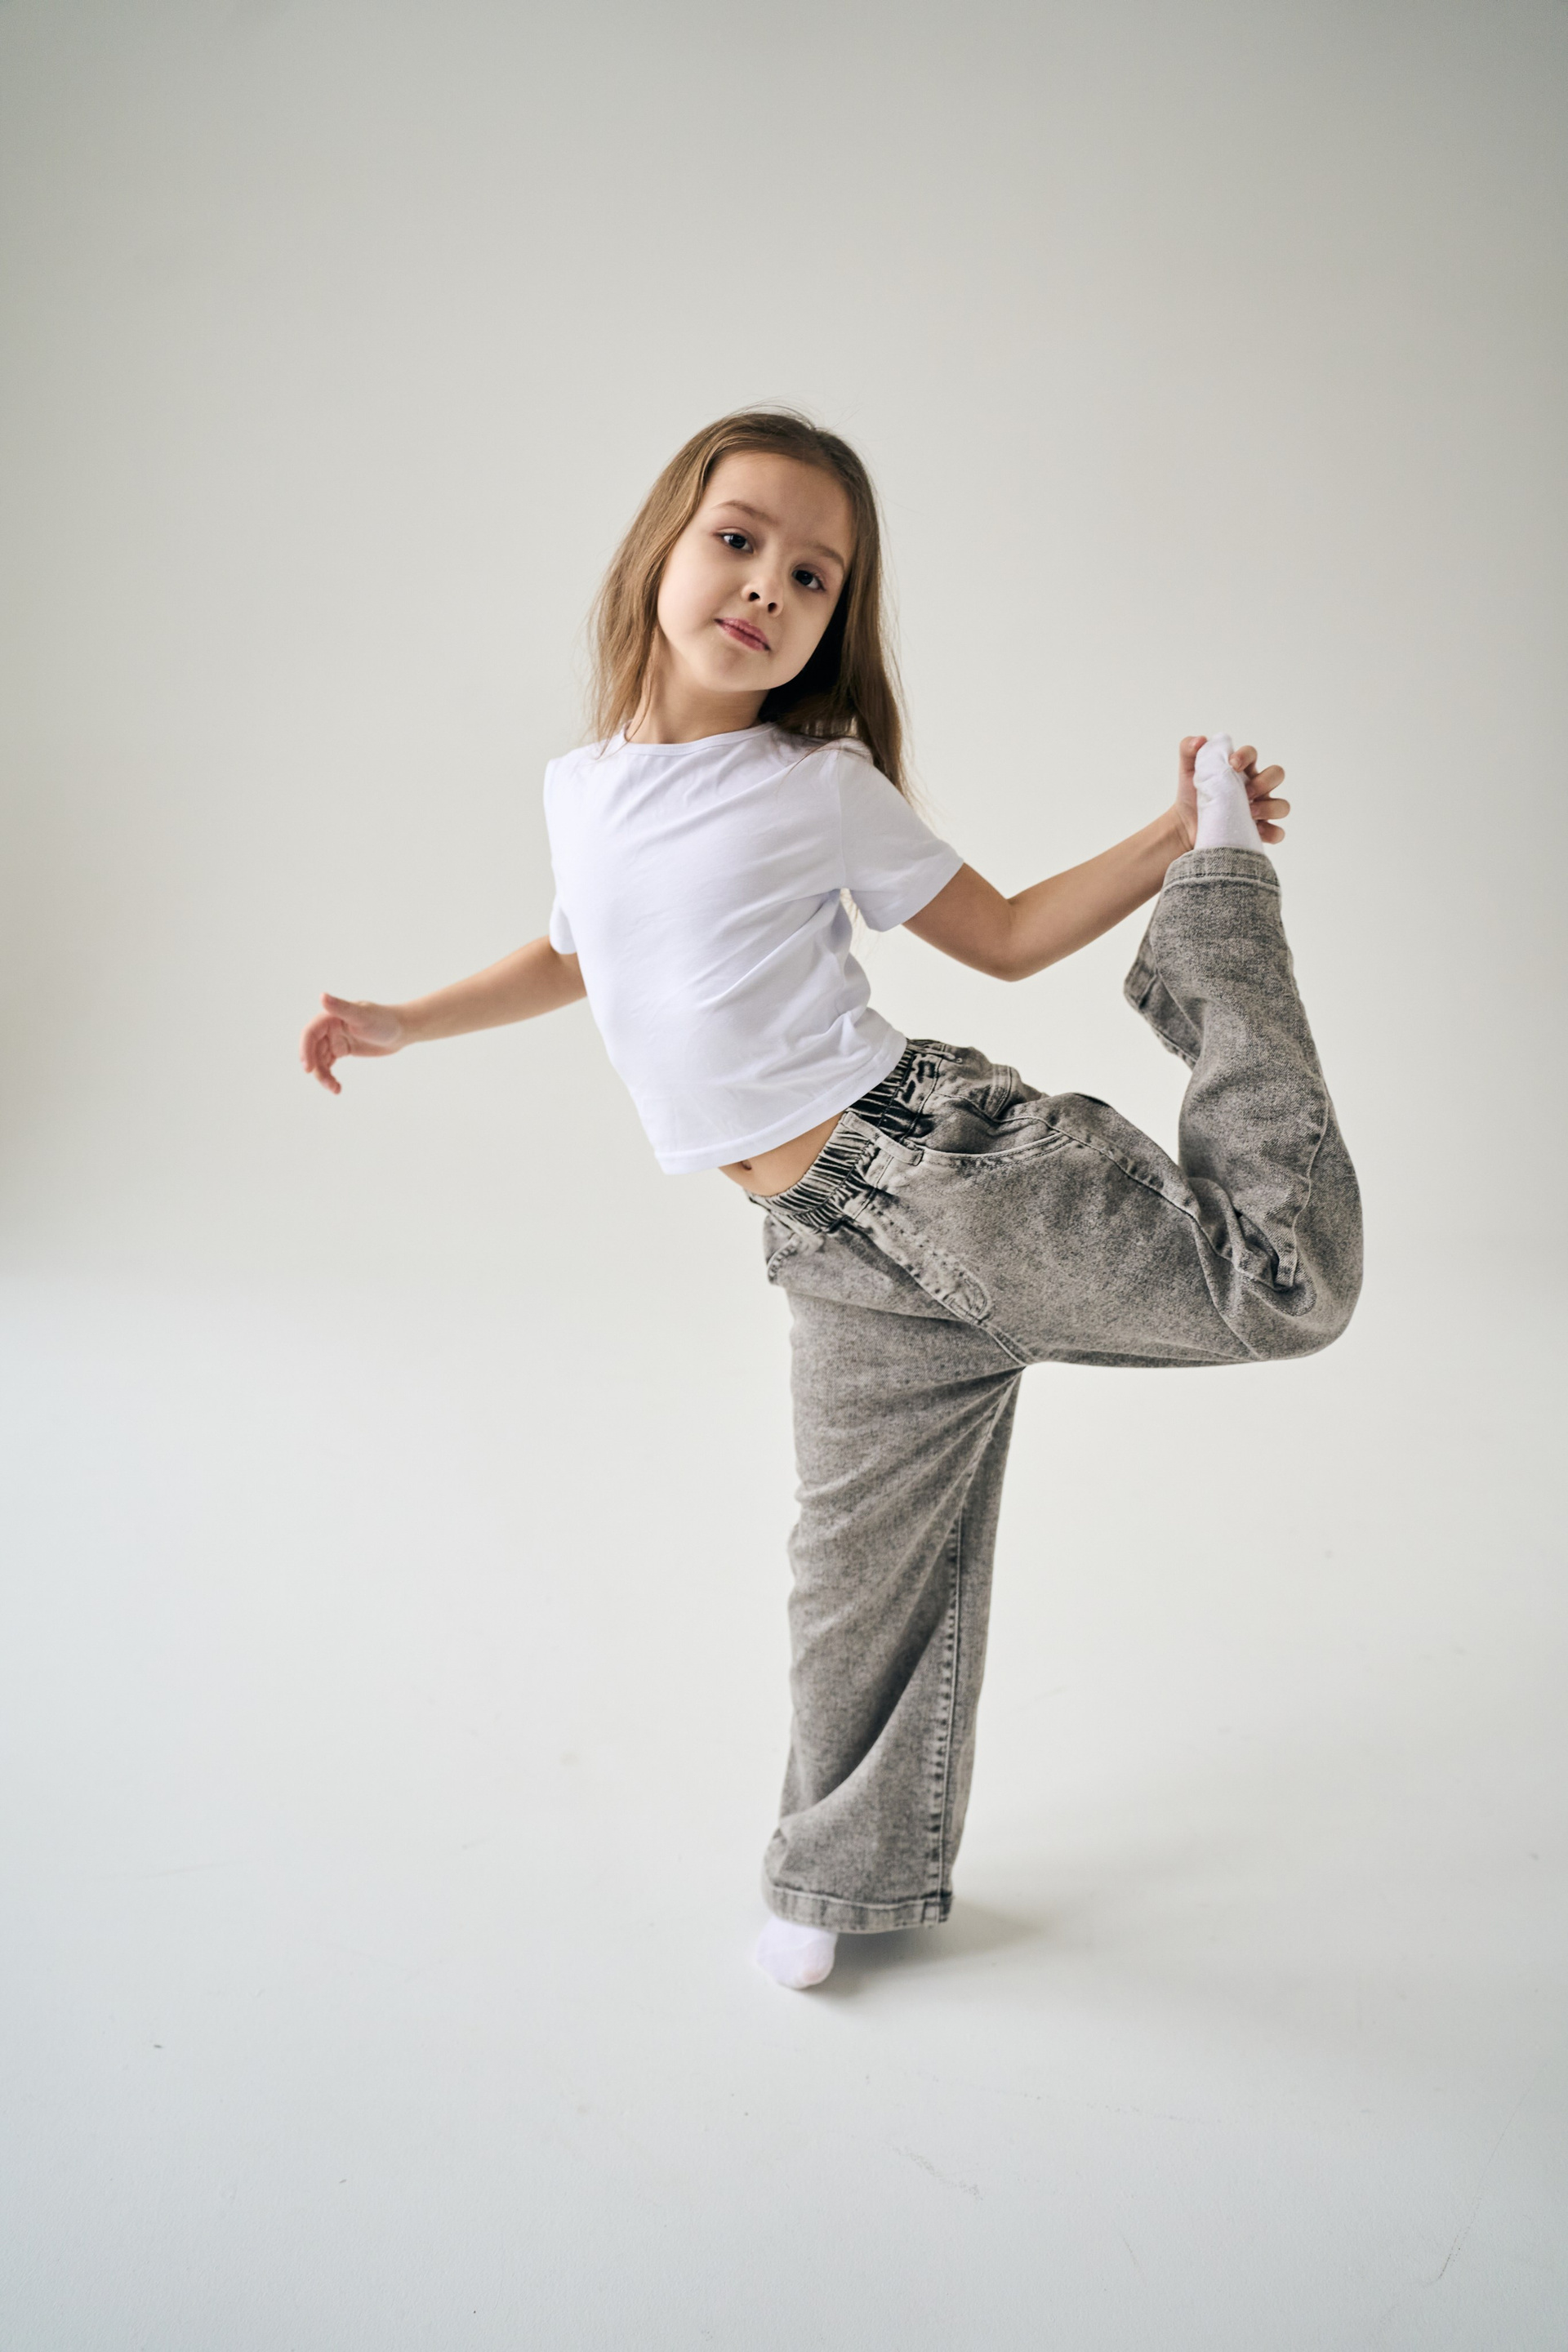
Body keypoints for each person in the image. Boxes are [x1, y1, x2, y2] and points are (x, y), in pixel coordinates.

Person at [299, 409, 1362, 1992]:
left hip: (943, 1172)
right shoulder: (583, 789)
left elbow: (1004, 937)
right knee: (853, 1582)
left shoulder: (815, 782)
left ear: (832, 623)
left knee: (1285, 1288)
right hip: (830, 1253)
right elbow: (581, 950)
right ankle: (838, 1882)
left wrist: (1175, 840)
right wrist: (404, 1020)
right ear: (660, 548)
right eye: (739, 541)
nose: (768, 587)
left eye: (813, 576)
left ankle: (1225, 907)